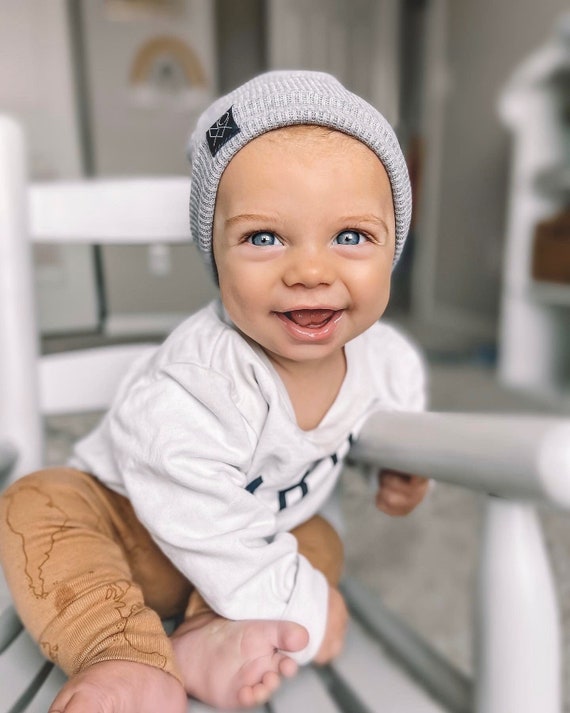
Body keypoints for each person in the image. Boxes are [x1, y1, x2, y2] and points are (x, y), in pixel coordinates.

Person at [0, 70, 430, 713]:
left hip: (252, 539)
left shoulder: (389, 360)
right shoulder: (201, 377)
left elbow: (397, 416)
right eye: (264, 238)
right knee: (36, 502)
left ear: (393, 245)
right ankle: (121, 652)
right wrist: (305, 604)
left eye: (350, 237)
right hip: (129, 529)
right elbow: (188, 503)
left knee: (320, 538)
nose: (311, 271)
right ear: (216, 255)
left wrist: (401, 470)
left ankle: (209, 632)